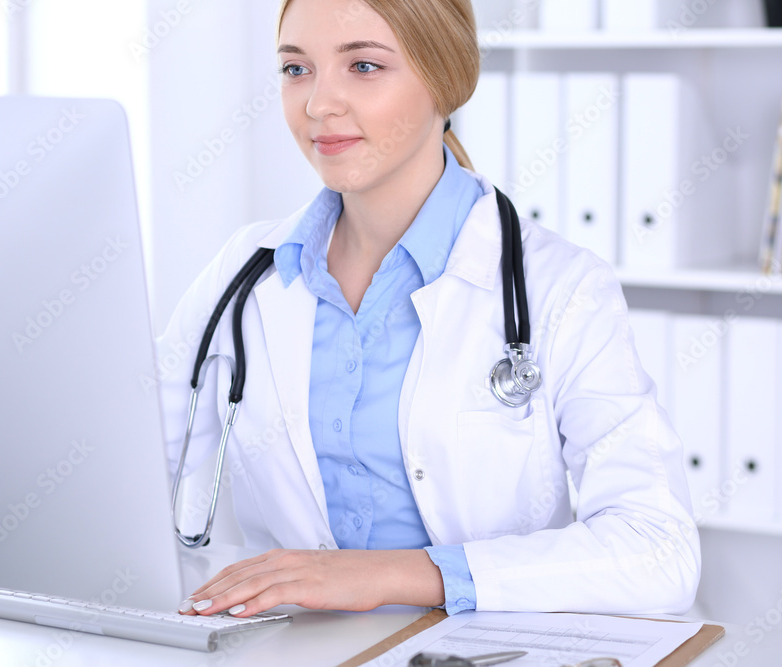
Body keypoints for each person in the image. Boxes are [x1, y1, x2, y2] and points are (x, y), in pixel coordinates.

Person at [159, 0, 700, 619]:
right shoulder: (243, 274)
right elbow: (128, 479)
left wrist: (390, 575)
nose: (318, 104)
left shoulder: (563, 288)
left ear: (445, 78)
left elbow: (660, 551)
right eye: (295, 69)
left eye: (362, 66)